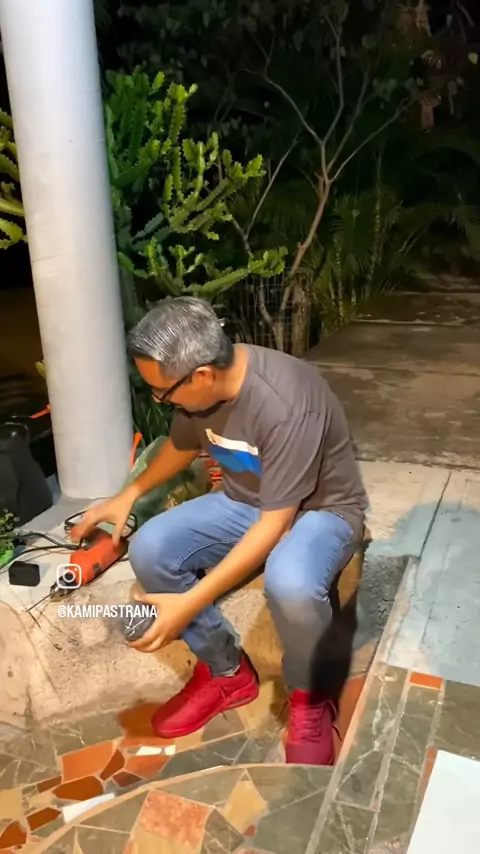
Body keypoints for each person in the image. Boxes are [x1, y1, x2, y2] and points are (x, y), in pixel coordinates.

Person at [74, 296, 369, 765]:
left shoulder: (286, 403)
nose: (160, 400)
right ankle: (227, 672)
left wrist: (188, 604)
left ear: (202, 375)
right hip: (246, 500)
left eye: (162, 393)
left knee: (291, 584)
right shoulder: (199, 391)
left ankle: (311, 697)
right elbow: (181, 445)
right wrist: (129, 494)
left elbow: (275, 524)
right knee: (151, 547)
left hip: (321, 509)